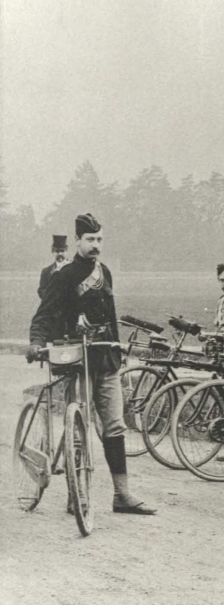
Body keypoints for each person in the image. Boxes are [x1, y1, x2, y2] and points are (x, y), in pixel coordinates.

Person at [28, 213, 156, 515]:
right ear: (77, 241)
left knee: (115, 427)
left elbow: (110, 315)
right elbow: (44, 314)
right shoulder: (65, 275)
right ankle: (76, 495)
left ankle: (122, 494)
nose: (96, 244)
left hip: (106, 359)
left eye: (99, 239)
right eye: (90, 239)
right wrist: (36, 341)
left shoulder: (104, 271)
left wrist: (117, 350)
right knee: (78, 427)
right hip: (77, 361)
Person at [38, 234, 69, 298]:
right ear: (52, 251)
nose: (60, 254)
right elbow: (41, 291)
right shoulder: (46, 271)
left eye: (62, 251)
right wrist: (52, 294)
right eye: (57, 251)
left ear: (66, 250)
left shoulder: (74, 268)